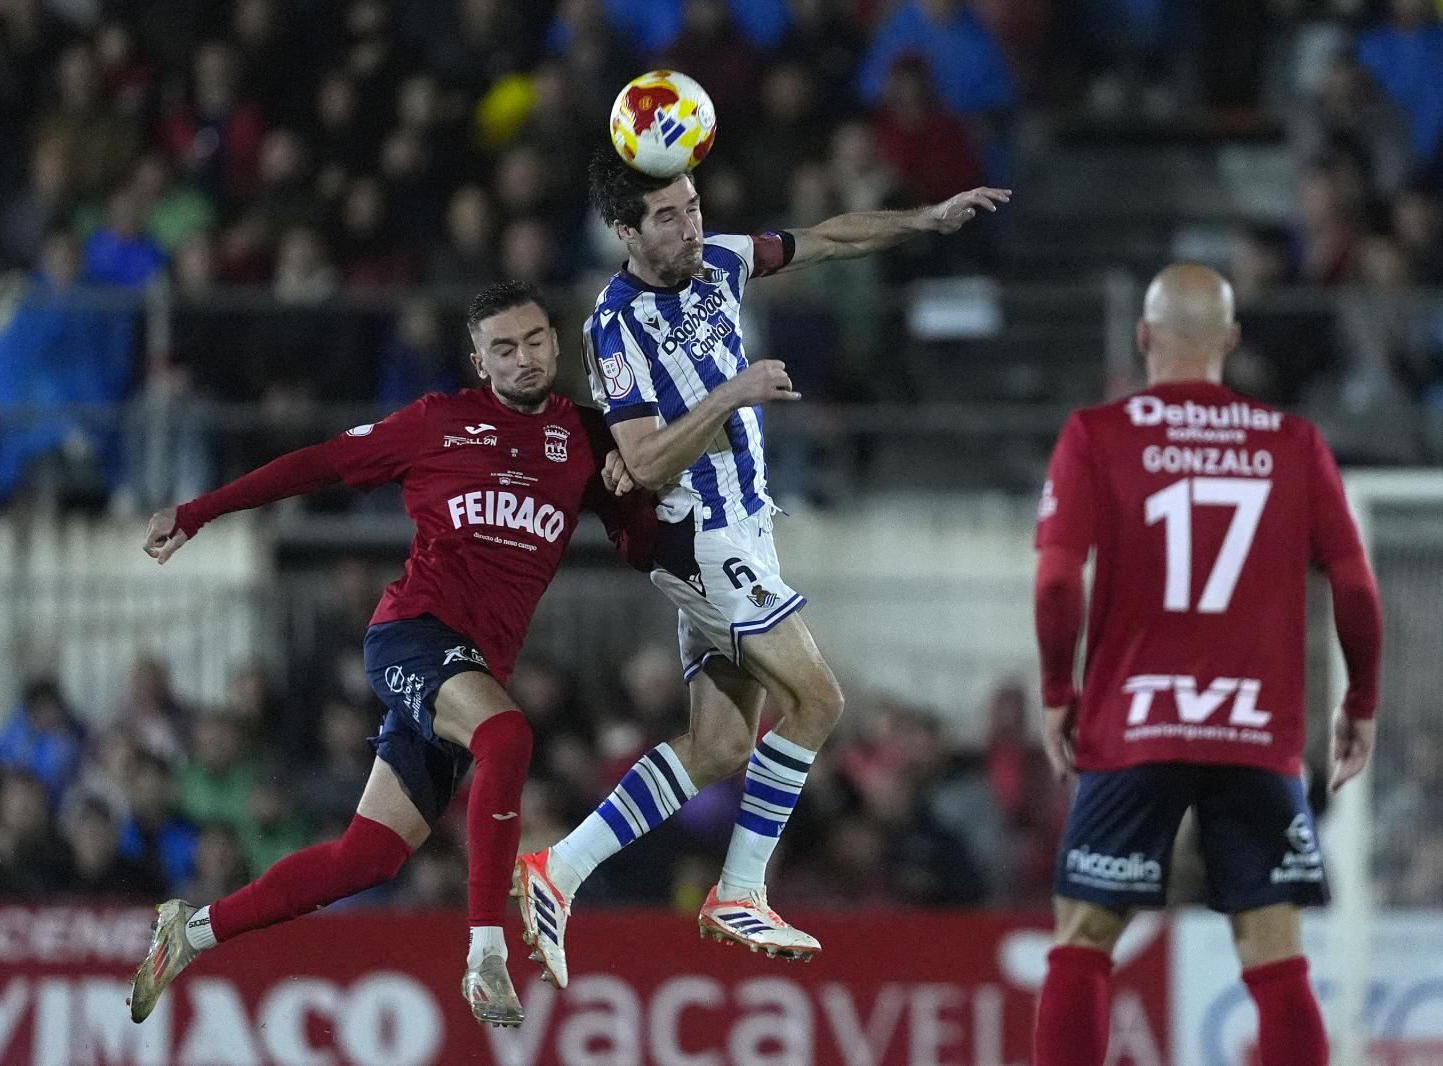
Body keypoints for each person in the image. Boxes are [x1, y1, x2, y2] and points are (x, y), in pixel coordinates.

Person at [515, 149, 1008, 984]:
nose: (689, 226)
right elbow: (640, 464)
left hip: (744, 531)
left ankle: (557, 870)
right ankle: (740, 889)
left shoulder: (718, 261)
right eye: (667, 217)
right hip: (699, 536)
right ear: (625, 232)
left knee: (719, 746)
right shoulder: (615, 325)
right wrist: (730, 395)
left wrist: (921, 221)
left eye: (693, 206)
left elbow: (821, 239)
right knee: (818, 699)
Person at [126, 281, 656, 1029]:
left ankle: (192, 929)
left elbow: (640, 543)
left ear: (555, 342)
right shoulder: (438, 422)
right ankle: (485, 955)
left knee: (367, 858)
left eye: (535, 340)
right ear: (480, 361)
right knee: (508, 735)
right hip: (412, 633)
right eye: (504, 347)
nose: (524, 357)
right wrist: (198, 512)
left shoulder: (590, 439)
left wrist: (634, 492)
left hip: (471, 672)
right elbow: (317, 463)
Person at [1029, 264, 1384, 1066]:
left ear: (1144, 335)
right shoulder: (1293, 443)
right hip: (1254, 730)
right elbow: (1356, 583)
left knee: (1083, 943)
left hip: (1135, 726)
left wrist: (1059, 690)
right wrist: (1360, 699)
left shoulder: (1097, 435)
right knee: (1274, 955)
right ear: (1229, 340)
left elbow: (1056, 579)